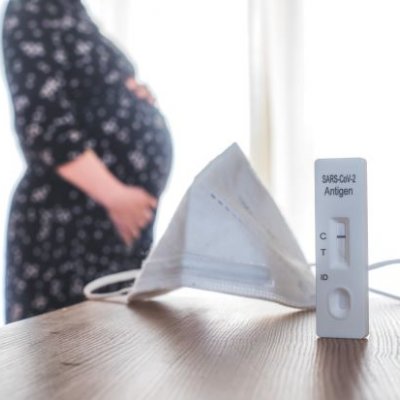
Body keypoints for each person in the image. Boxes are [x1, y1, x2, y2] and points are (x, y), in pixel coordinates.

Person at [2, 0, 172, 322]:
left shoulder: (70, 9)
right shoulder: (32, 7)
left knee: (114, 357)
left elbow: (84, 93)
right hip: (67, 228)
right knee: (64, 360)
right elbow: (43, 123)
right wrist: (116, 196)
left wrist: (130, 96)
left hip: (101, 227)